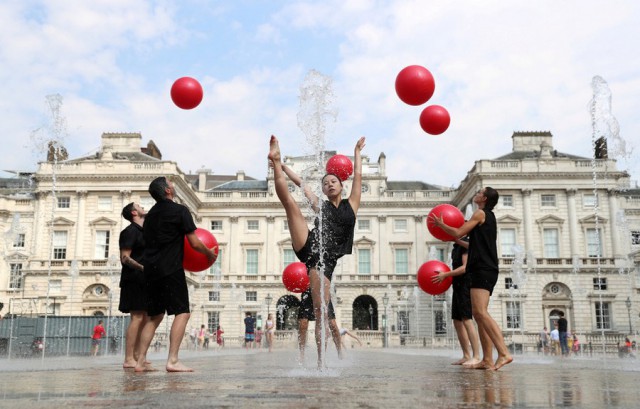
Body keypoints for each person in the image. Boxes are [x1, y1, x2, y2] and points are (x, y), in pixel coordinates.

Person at [269, 135, 366, 368]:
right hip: (311, 247)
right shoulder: (319, 205)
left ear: (342, 185)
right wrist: (281, 166)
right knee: (290, 205)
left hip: (326, 261)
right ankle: (275, 159)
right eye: (325, 183)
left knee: (321, 311)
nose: (329, 184)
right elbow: (301, 183)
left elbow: (359, 177)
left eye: (333, 181)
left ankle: (321, 363)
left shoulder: (351, 204)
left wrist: (357, 153)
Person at [134, 176, 217, 372]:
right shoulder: (180, 211)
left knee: (154, 316)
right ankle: (172, 360)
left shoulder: (149, 217)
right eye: (171, 184)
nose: (173, 186)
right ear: (168, 191)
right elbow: (195, 243)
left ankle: (140, 362)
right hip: (170, 268)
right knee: (183, 312)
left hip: (150, 270)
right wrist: (209, 254)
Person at [431, 187, 512, 371]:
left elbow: (459, 232)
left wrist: (441, 225)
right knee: (478, 314)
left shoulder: (480, 213)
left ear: (483, 198)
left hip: (482, 268)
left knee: (481, 313)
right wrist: (454, 239)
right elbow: (469, 241)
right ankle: (487, 360)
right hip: (485, 268)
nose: (476, 193)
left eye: (479, 192)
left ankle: (504, 353)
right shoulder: (487, 216)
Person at [432, 236, 481, 367]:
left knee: (467, 319)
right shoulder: (455, 247)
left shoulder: (466, 243)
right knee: (457, 321)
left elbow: (465, 268)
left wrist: (445, 275)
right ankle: (466, 355)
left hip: (466, 285)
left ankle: (476, 356)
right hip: (457, 285)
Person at [118, 202, 149, 369]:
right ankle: (129, 358)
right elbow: (124, 258)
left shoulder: (144, 232)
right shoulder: (129, 232)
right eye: (139, 205)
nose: (143, 207)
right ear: (134, 212)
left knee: (145, 317)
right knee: (136, 317)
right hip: (134, 279)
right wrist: (143, 268)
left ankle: (137, 355)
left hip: (144, 279)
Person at [297, 288, 340, 363]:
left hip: (323, 292)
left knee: (333, 325)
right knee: (303, 325)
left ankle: (339, 352)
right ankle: (302, 354)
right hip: (307, 291)